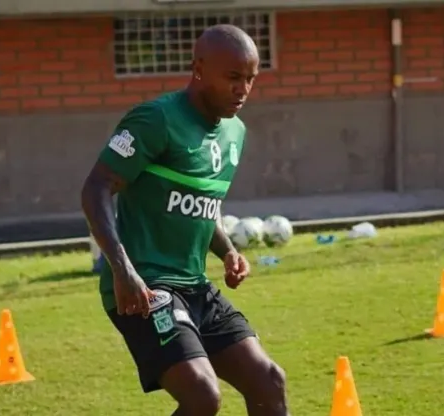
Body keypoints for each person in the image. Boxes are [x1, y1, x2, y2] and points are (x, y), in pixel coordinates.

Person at [80, 24, 289, 416]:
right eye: (232, 78)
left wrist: (226, 250)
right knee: (202, 395)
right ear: (198, 69)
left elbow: (200, 205)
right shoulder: (155, 120)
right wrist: (123, 270)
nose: (242, 90)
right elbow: (95, 189)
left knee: (269, 380)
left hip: (195, 286)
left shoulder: (235, 132)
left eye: (250, 79)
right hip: (144, 286)